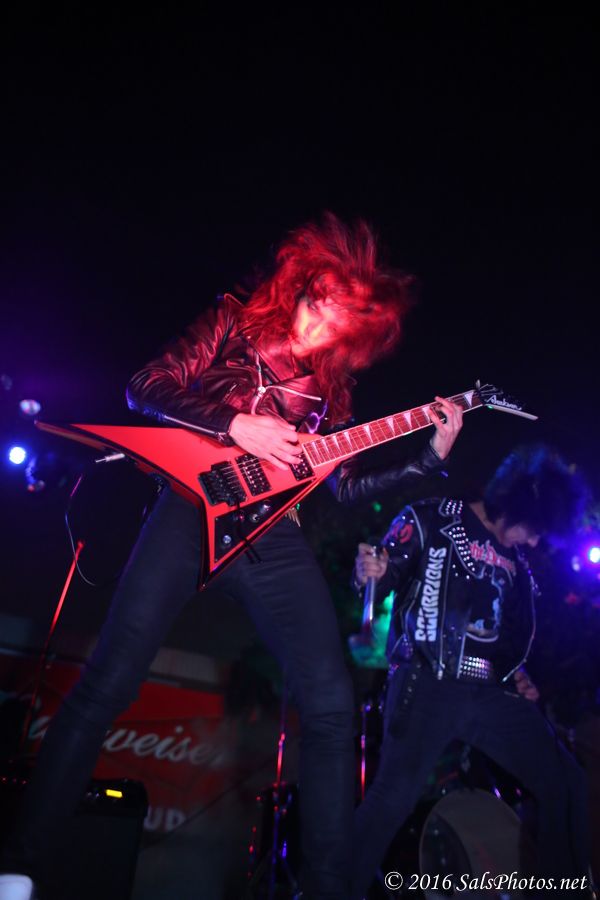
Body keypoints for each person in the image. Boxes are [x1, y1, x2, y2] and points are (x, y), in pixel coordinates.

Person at [0, 213, 463, 900]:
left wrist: (430, 455)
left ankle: (327, 889)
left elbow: (346, 489)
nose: (318, 326)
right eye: (316, 304)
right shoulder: (232, 319)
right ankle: (21, 867)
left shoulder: (332, 392)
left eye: (337, 322)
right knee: (108, 683)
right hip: (189, 508)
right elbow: (146, 384)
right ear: (302, 287)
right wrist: (235, 422)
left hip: (273, 537)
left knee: (332, 703)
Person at [351, 444, 590, 899]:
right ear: (519, 505)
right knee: (391, 800)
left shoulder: (520, 567)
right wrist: (371, 571)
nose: (534, 542)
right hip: (427, 682)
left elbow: (507, 639)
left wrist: (515, 676)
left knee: (566, 781)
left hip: (486, 694)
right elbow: (381, 571)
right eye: (535, 530)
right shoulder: (432, 517)